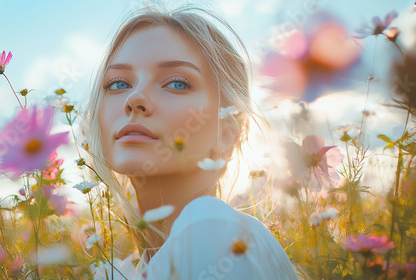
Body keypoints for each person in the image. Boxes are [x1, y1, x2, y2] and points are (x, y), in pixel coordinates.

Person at [82, 4, 301, 279]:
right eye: (118, 83)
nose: (134, 98)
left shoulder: (210, 227)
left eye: (177, 83)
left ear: (226, 132)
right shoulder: (125, 270)